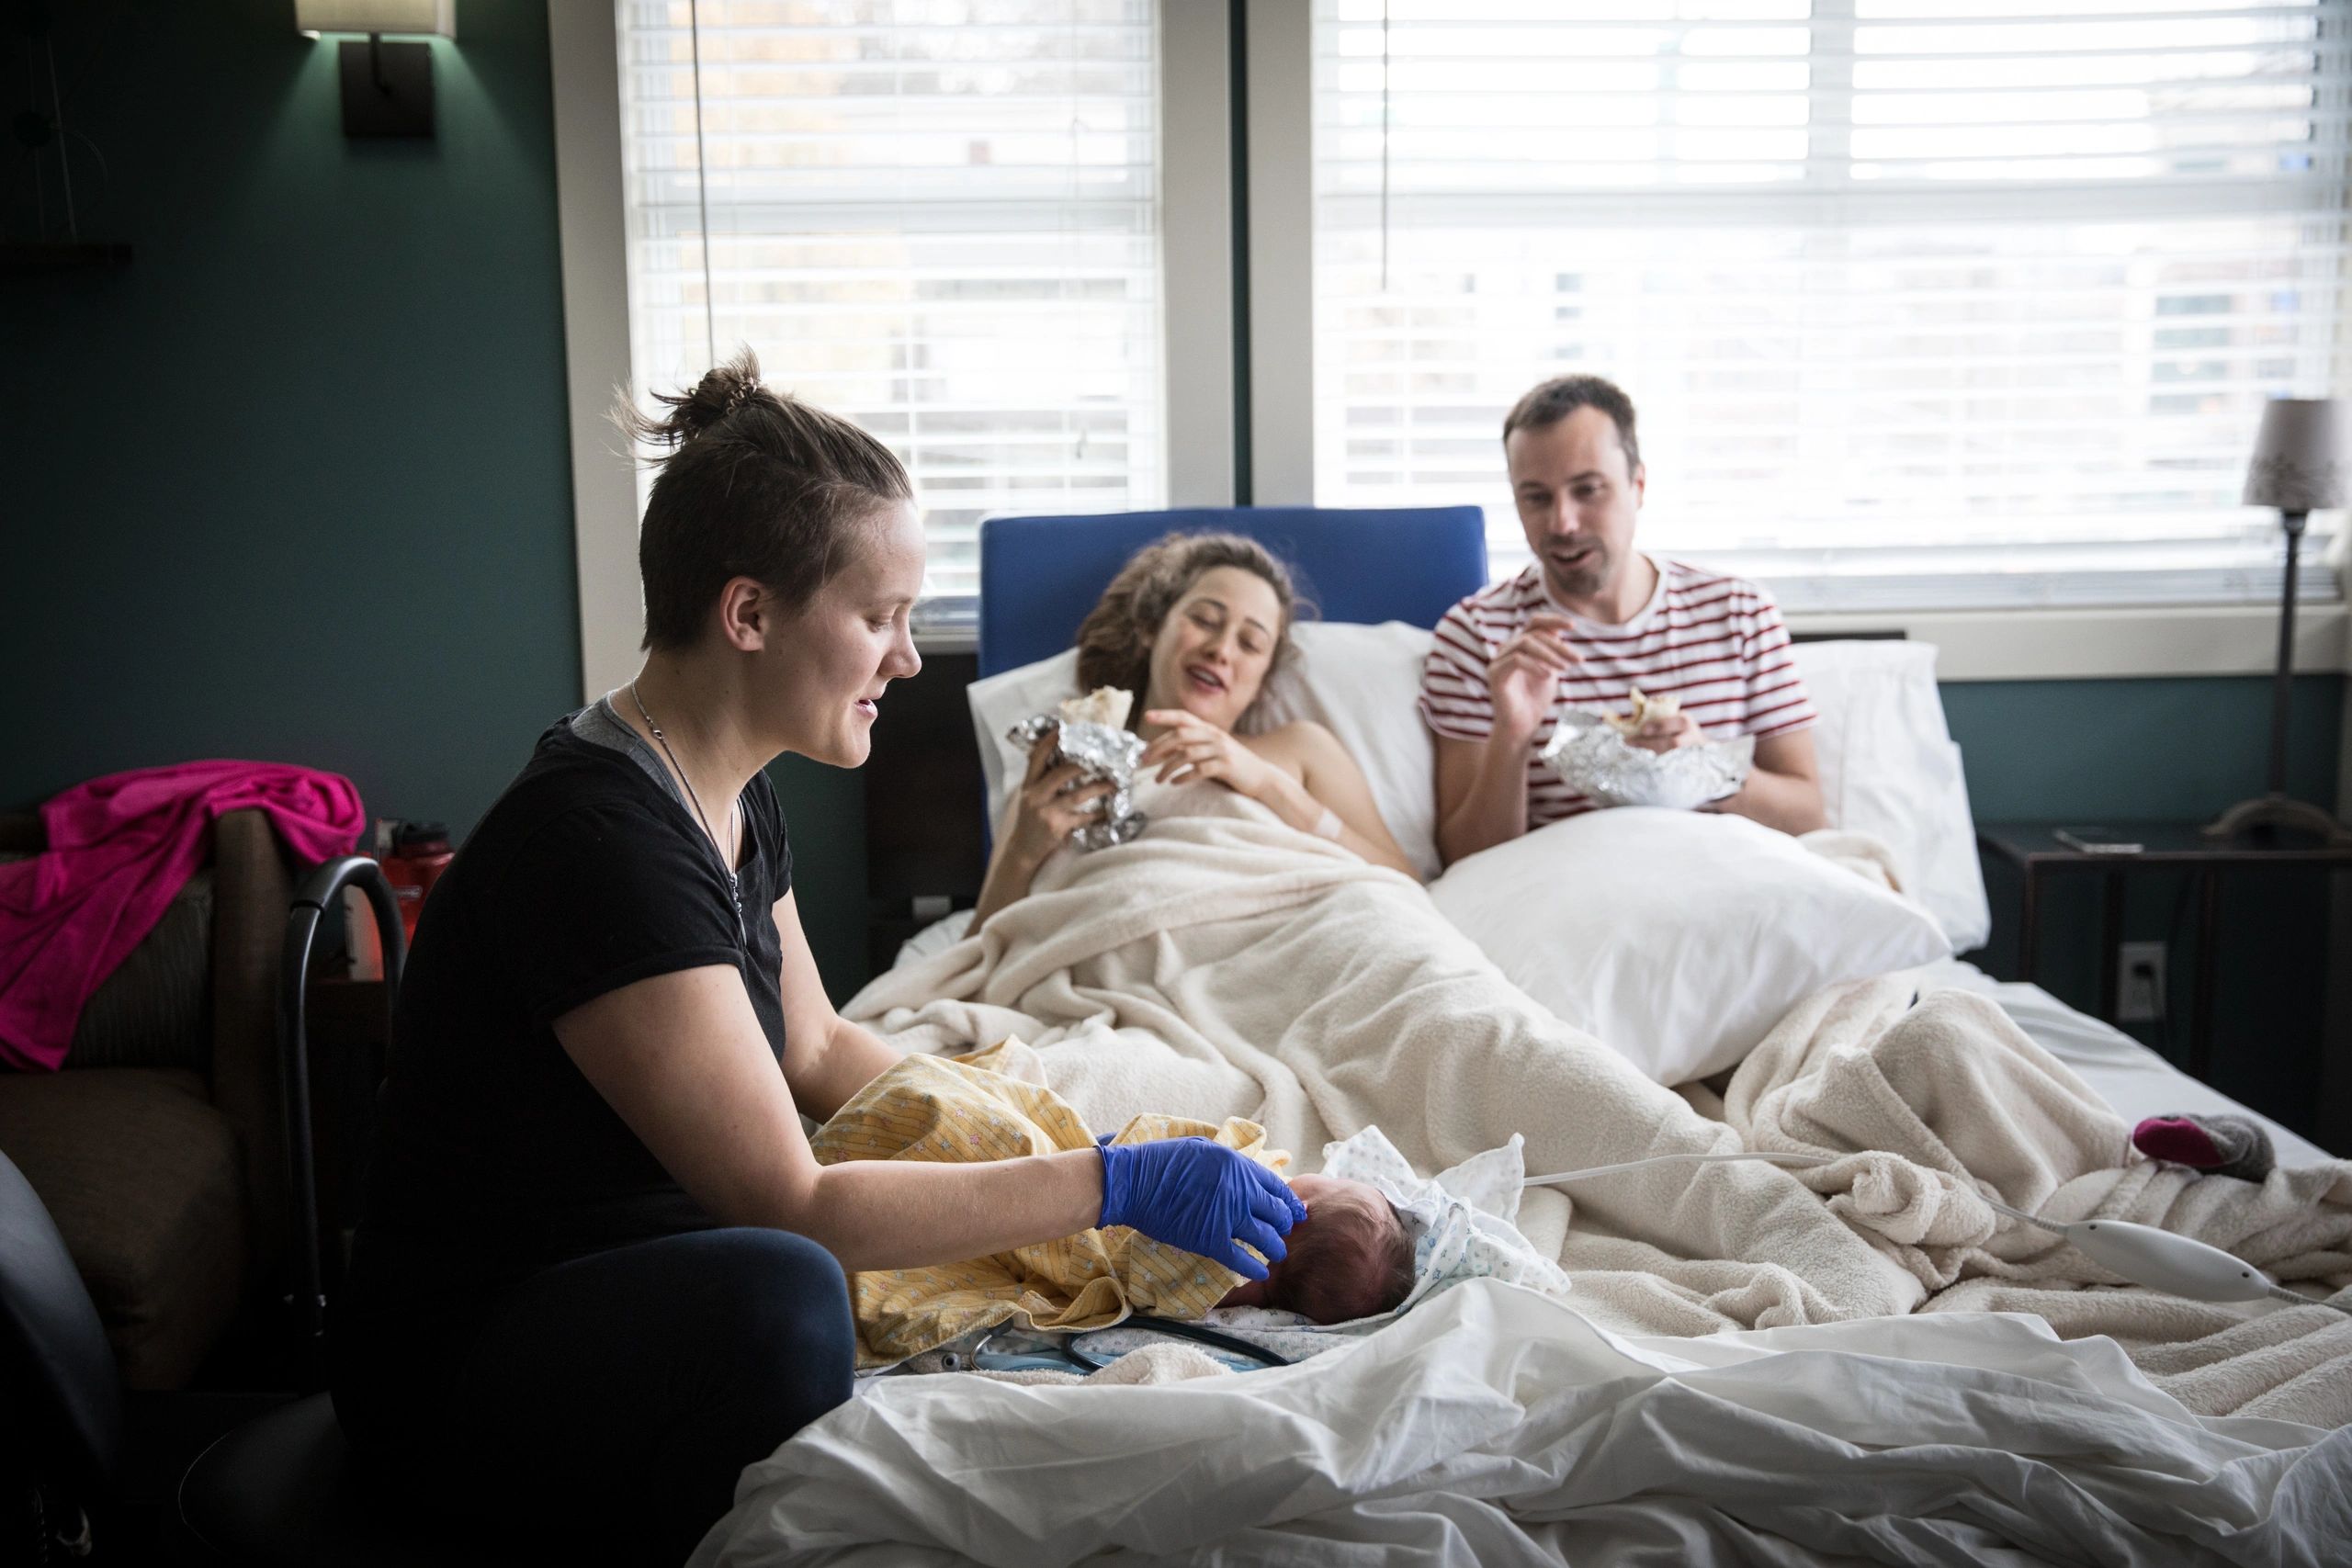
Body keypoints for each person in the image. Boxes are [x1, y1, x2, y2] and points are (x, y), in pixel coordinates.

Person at [329, 353, 1302, 1562]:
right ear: (749, 613)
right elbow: (789, 1200)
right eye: (881, 618)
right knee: (791, 1286)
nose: (906, 657)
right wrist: (1113, 1183)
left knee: (874, 1207)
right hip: (473, 1365)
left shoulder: (728, 790)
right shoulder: (600, 843)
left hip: (633, 1265)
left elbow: (820, 1044)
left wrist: (1042, 1131)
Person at [1422, 375, 1827, 865]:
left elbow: (1807, 817)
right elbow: (1464, 861)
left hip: (1726, 882)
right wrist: (1512, 734)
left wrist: (1703, 767)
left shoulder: (1738, 613)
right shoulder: (1478, 636)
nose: (1562, 524)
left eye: (1588, 490)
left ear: (1638, 485)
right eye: (1536, 497)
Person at [809, 1048, 1415, 1366]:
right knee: (993, 1128)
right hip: (1076, 1194)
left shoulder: (1234, 1249)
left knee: (971, 1134)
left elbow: (1134, 1244)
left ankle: (894, 1139)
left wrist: (1118, 1173)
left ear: (1300, 1200)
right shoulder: (1243, 1284)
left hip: (1070, 1230)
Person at [973, 532, 1418, 924]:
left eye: (1250, 643)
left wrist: (1270, 787)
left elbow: (1405, 888)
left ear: (1262, 681)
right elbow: (977, 952)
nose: (1221, 650)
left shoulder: (1300, 751)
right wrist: (1022, 852)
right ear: (1151, 627)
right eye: (1204, 620)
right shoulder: (1057, 776)